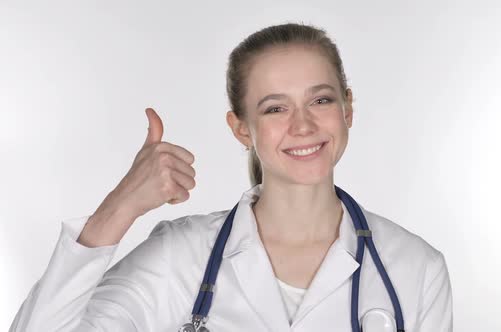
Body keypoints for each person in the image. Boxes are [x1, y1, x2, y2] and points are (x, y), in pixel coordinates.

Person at [9, 23, 453, 331]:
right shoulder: (181, 256)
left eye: (320, 100)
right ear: (241, 128)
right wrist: (119, 208)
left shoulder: (415, 269)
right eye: (275, 108)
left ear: (347, 109)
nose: (303, 126)